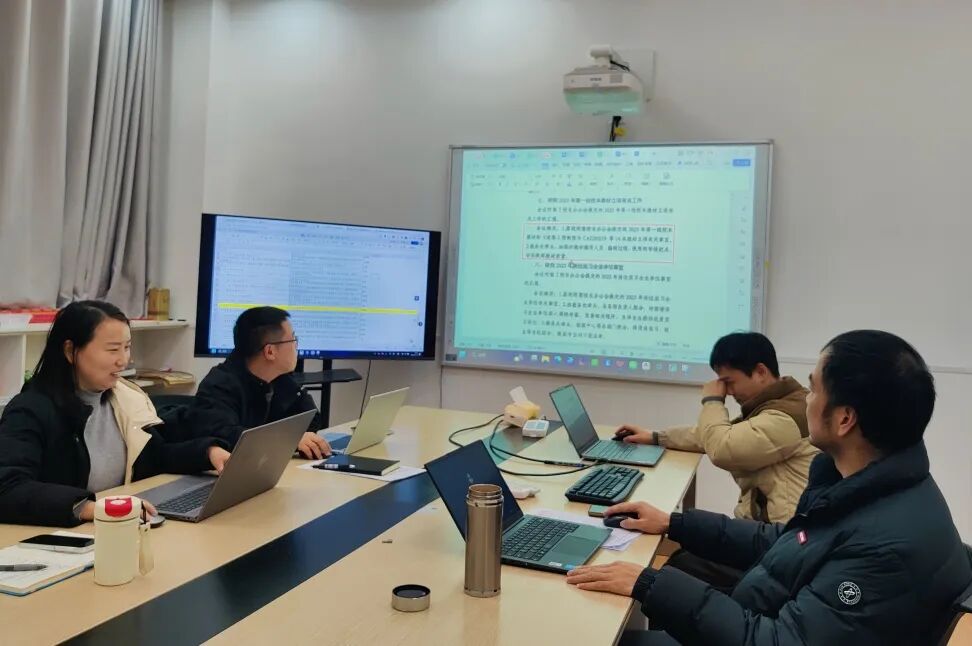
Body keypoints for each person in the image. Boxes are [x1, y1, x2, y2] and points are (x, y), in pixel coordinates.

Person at [567, 330, 972, 645]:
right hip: (761, 610)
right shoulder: (876, 488)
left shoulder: (883, 546)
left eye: (815, 389)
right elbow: (787, 543)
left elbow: (779, 641)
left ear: (845, 419)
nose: (807, 399)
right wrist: (674, 523)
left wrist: (651, 583)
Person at [614, 332, 817, 590]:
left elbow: (723, 447)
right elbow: (714, 435)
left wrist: (712, 401)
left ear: (760, 371)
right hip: (765, 532)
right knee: (682, 558)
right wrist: (656, 437)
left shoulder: (785, 417)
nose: (728, 392)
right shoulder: (778, 405)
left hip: (780, 545)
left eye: (730, 382)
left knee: (676, 570)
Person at [0, 301, 231, 527]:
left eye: (127, 347)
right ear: (70, 351)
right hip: (61, 535)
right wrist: (90, 508)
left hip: (116, 528)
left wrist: (207, 453)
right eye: (112, 350)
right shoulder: (30, 410)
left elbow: (153, 458)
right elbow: (7, 487)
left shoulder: (123, 398)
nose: (123, 360)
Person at [186, 306, 331, 459]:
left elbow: (310, 419)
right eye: (293, 340)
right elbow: (225, 436)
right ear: (270, 351)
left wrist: (295, 438)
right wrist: (287, 440)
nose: (296, 346)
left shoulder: (278, 377)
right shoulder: (219, 385)